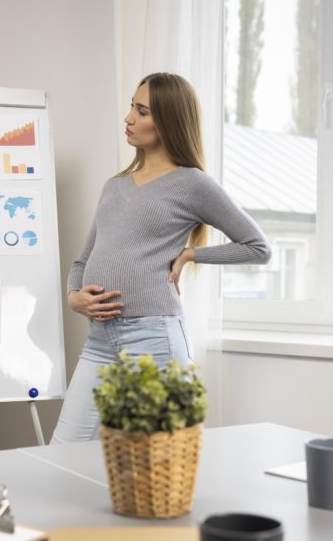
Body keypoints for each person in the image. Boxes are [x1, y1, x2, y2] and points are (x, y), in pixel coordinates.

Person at [50, 72, 271, 443]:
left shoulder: (192, 184)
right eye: (131, 108)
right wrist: (75, 298)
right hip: (100, 341)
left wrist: (191, 254)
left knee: (159, 462)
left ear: (168, 120)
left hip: (153, 341)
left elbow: (257, 246)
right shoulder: (114, 185)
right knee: (64, 451)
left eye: (142, 111)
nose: (129, 119)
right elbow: (80, 262)